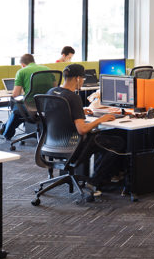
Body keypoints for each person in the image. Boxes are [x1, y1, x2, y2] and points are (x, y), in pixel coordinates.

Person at [48, 64, 126, 194]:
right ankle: (96, 181)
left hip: (52, 143)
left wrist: (80, 111)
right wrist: (101, 119)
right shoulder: (73, 98)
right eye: (83, 79)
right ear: (78, 78)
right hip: (72, 145)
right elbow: (82, 130)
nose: (83, 81)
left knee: (100, 137)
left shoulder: (51, 92)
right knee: (117, 142)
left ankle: (102, 178)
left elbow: (58, 114)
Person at [0, 53, 51, 140]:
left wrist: (24, 91)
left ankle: (7, 133)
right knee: (20, 109)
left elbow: (15, 94)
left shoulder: (22, 71)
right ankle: (5, 127)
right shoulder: (47, 69)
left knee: (16, 109)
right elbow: (53, 88)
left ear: (22, 65)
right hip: (47, 105)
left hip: (31, 106)